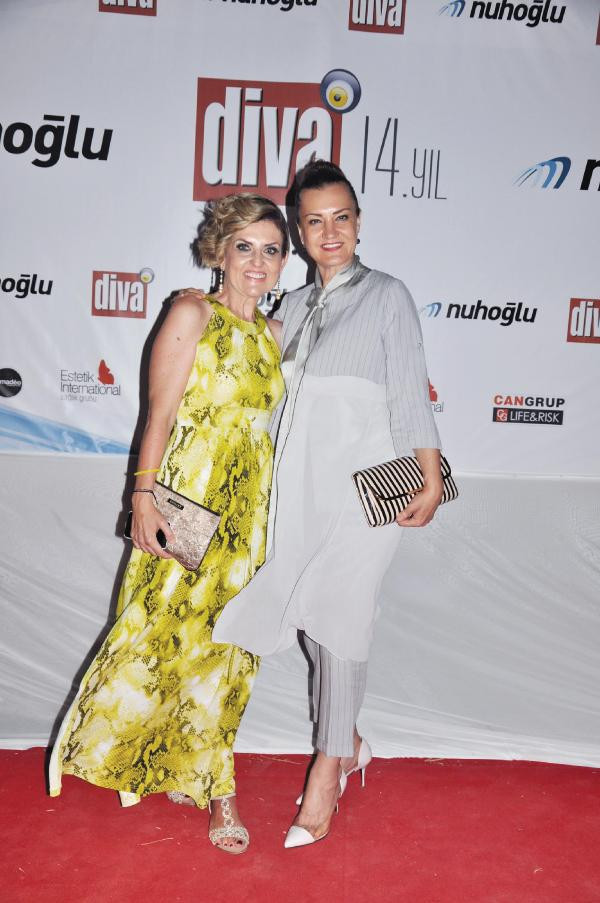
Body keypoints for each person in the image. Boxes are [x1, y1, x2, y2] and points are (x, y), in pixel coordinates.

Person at [212, 160, 444, 848]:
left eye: (341, 216)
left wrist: (430, 474)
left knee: (342, 614)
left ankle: (327, 769)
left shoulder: (388, 295)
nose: (330, 231)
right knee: (312, 614)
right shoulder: (292, 306)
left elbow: (410, 390)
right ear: (300, 232)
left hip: (369, 488)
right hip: (301, 491)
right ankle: (351, 742)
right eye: (314, 221)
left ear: (359, 222)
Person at [48, 193, 288, 854]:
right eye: (245, 247)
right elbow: (157, 415)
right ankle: (181, 767)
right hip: (187, 506)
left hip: (249, 517)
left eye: (271, 250)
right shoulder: (191, 313)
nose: (258, 262)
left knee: (231, 648)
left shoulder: (274, 335)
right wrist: (142, 498)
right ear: (220, 252)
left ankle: (212, 780)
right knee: (162, 637)